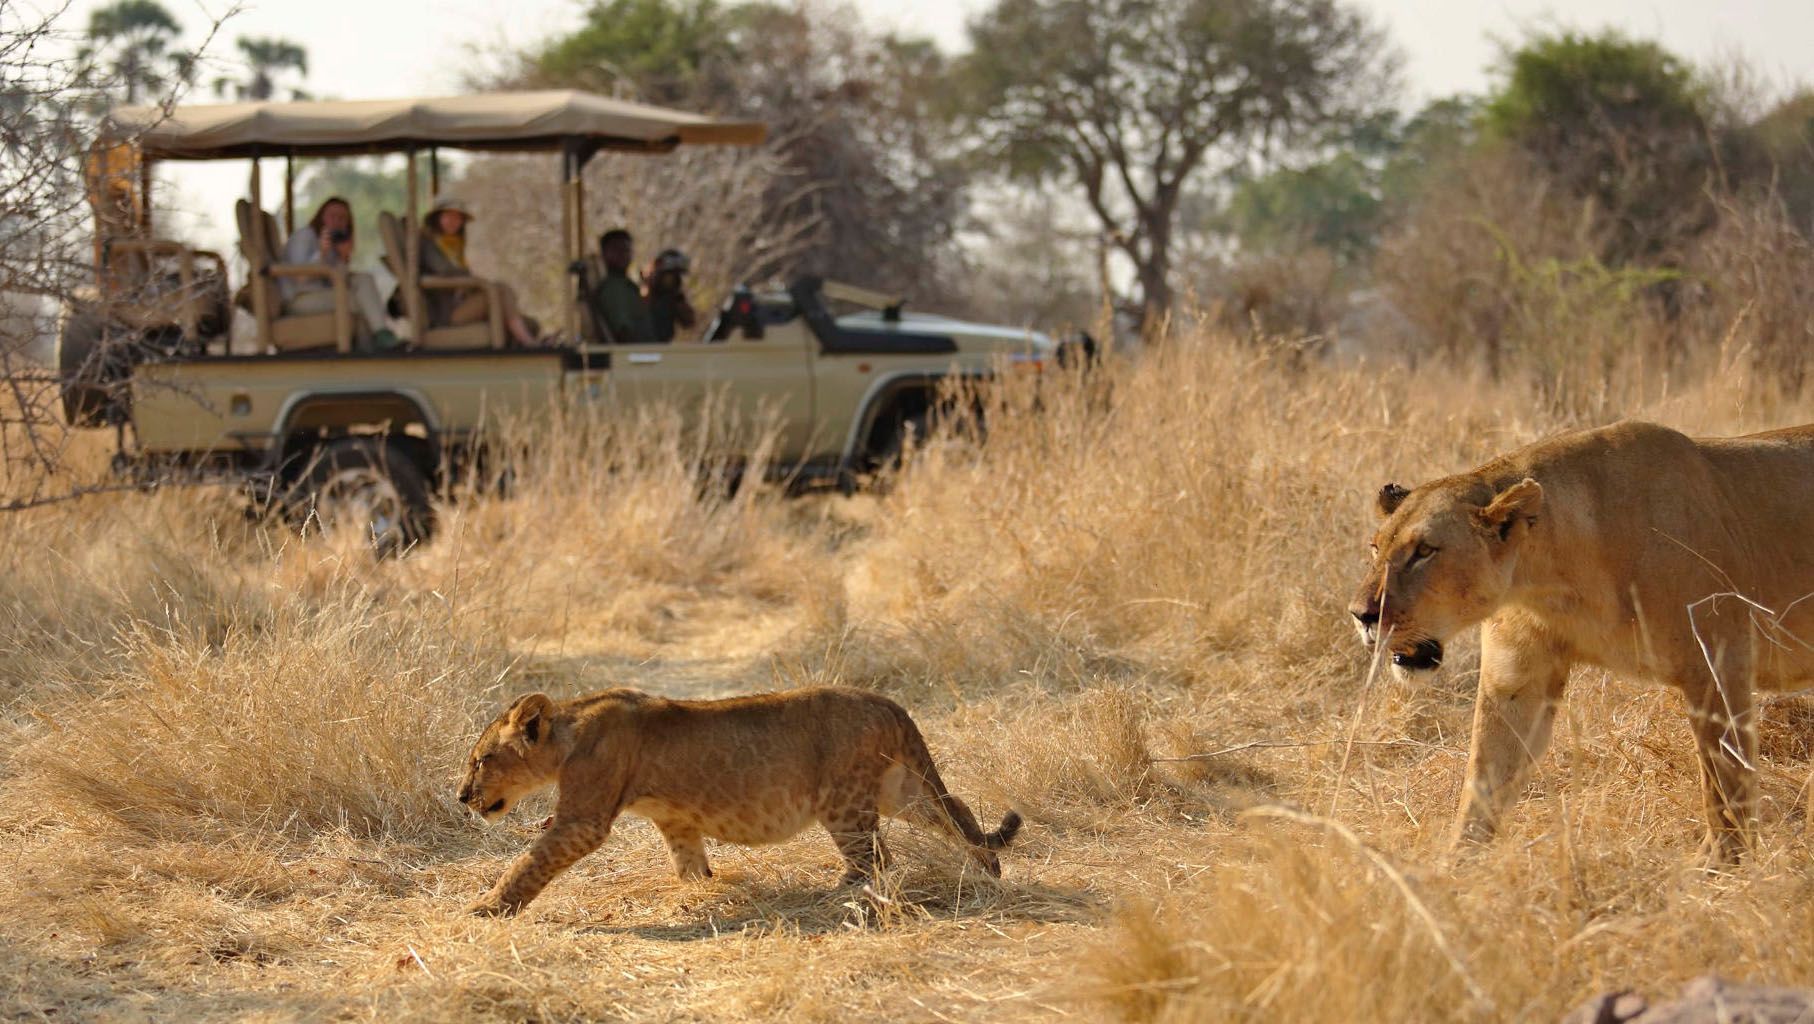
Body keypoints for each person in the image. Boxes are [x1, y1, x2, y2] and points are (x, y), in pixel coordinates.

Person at [418, 196, 538, 347]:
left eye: (458, 218)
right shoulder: (428, 243)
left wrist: (470, 283)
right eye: (448, 216)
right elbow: (444, 270)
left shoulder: (454, 244)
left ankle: (524, 337)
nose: (453, 221)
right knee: (498, 290)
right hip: (446, 313)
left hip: (462, 302)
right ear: (437, 218)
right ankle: (526, 340)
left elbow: (460, 274)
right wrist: (473, 282)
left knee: (505, 293)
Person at [282, 196, 398, 350]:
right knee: (360, 302)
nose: (337, 221)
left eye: (343, 218)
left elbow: (338, 280)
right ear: (321, 218)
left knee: (364, 279)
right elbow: (300, 277)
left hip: (325, 294)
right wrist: (321, 254)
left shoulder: (335, 246)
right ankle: (372, 347)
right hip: (300, 298)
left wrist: (343, 257)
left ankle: (380, 335)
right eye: (332, 216)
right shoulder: (305, 236)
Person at [591, 227, 654, 344]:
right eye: (616, 250)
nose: (623, 255)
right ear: (604, 254)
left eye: (626, 250)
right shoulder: (613, 289)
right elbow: (624, 332)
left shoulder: (629, 286)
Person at [643, 247, 697, 343]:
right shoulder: (642, 294)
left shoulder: (673, 298)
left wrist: (677, 298)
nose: (673, 279)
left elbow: (689, 322)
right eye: (670, 274)